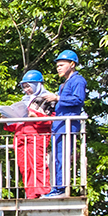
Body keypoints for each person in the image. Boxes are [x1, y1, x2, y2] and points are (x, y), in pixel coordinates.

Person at [0, 70, 53, 198]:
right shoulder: (24, 101)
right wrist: (7, 119)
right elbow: (17, 124)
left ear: (37, 85)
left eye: (29, 86)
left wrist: (36, 116)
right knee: (24, 166)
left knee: (37, 164)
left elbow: (51, 121)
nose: (26, 90)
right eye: (24, 87)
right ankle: (31, 194)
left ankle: (42, 192)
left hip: (36, 135)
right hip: (21, 136)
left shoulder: (47, 100)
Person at [40, 49, 88, 196]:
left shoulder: (78, 80)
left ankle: (61, 188)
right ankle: (56, 187)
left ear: (72, 64)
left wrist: (57, 98)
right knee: (56, 157)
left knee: (62, 156)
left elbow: (78, 100)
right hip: (59, 123)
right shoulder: (64, 84)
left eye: (61, 65)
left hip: (68, 124)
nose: (58, 68)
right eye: (57, 66)